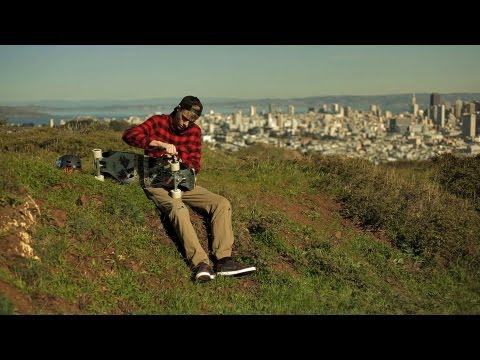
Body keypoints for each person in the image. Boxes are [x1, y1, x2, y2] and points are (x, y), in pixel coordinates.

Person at [122, 96, 256, 282]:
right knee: (178, 208)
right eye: (184, 118)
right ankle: (200, 263)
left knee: (221, 203)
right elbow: (129, 135)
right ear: (177, 108)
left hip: (183, 181)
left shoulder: (194, 132)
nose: (185, 124)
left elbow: (195, 163)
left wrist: (182, 162)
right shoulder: (158, 122)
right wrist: (159, 145)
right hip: (155, 180)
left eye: (191, 121)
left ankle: (224, 260)